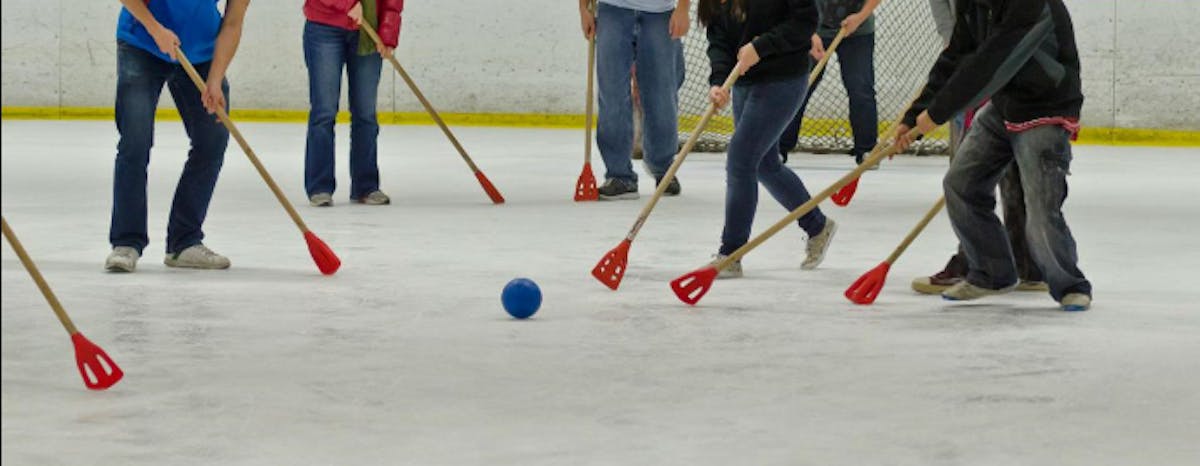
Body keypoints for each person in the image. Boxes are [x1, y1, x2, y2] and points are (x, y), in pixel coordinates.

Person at [895, 0, 1092, 311]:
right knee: (960, 185)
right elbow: (957, 55)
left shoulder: (1032, 6)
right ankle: (992, 272)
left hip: (1046, 109)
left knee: (1040, 208)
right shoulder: (973, 3)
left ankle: (1070, 285)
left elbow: (992, 61)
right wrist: (914, 115)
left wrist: (936, 114)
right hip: (1003, 107)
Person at [912, 0, 1047, 295]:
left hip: (1012, 83)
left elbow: (1008, 41)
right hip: (972, 74)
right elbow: (957, 37)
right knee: (967, 180)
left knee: (1010, 178)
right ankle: (982, 260)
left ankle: (1026, 264)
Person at [105, 0, 251, 273]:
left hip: (202, 53)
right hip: (142, 42)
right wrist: (155, 28)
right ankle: (126, 243)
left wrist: (216, 78)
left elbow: (232, 23)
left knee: (212, 140)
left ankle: (184, 242)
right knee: (135, 142)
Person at [699, 0, 836, 277]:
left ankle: (731, 254)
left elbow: (805, 21)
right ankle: (817, 225)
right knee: (765, 165)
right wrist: (718, 81)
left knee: (741, 160)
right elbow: (719, 40)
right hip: (745, 84)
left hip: (783, 79)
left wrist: (761, 47)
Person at [579, 0, 690, 200]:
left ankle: (663, 167)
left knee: (661, 96)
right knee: (612, 95)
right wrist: (583, 8)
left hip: (659, 13)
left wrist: (683, 8)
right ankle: (619, 175)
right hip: (612, 10)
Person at [303, 0, 404, 207]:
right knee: (324, 111)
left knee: (366, 114)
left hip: (368, 32)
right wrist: (347, 3)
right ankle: (320, 186)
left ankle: (366, 186)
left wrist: (388, 33)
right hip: (324, 29)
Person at [776, 0, 879, 165]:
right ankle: (779, 147)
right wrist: (808, 30)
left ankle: (867, 149)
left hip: (858, 29)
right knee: (799, 85)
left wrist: (860, 17)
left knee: (861, 88)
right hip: (814, 27)